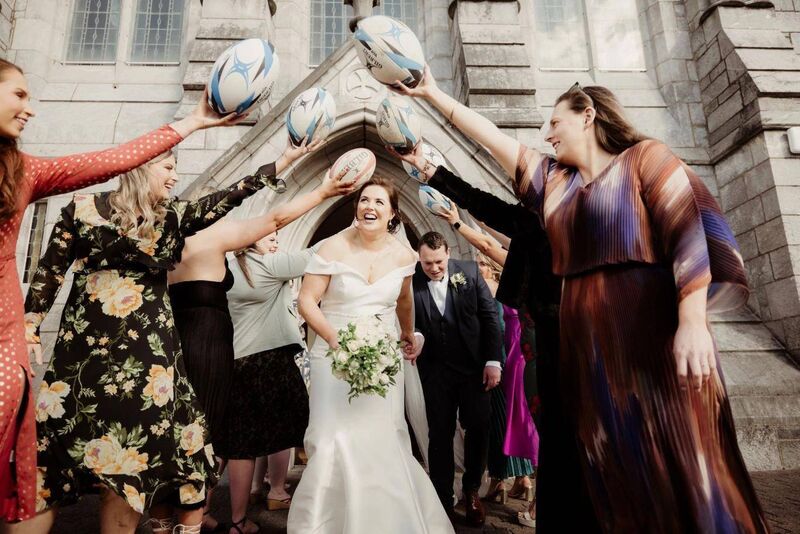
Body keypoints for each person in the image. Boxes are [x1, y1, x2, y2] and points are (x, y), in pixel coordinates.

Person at [396, 67, 769, 532]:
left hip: (651, 332)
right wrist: (431, 92)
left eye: (555, 122)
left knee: (677, 456)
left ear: (587, 114)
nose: (547, 133)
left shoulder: (646, 158)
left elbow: (687, 237)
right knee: (607, 463)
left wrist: (692, 320)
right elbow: (492, 139)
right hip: (587, 347)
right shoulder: (554, 184)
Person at [0, 59, 241, 524]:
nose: (31, 108)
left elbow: (105, 162)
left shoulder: (23, 171)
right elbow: (50, 272)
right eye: (19, 95)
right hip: (59, 345)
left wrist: (192, 121)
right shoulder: (79, 213)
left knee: (24, 488)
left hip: (10, 338)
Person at [21, 147, 283, 533]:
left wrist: (286, 161)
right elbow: (49, 270)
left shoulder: (171, 218)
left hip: (146, 359)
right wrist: (29, 324)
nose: (175, 176)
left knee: (127, 461)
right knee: (49, 459)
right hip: (81, 356)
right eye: (168, 166)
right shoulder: (81, 211)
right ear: (140, 165)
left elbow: (228, 196)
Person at [288, 177, 454, 533]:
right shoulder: (331, 248)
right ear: (357, 207)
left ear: (392, 214)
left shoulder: (404, 256)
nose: (370, 207)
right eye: (365, 200)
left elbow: (404, 299)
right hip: (333, 358)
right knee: (332, 438)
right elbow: (306, 302)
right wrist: (336, 341)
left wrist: (407, 334)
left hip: (382, 357)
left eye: (379, 202)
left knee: (381, 437)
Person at [433, 205, 540, 516]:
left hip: (526, 355)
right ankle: (512, 484)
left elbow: (491, 246)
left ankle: (534, 506)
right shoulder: (535, 256)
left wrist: (458, 220)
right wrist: (478, 215)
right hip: (520, 354)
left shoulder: (532, 265)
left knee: (533, 428)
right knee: (523, 427)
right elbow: (500, 239)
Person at [215, 231, 321, 534]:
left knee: (232, 443)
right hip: (266, 363)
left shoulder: (229, 267)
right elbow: (317, 253)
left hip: (236, 361)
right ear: (250, 240)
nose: (275, 242)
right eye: (269, 237)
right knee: (276, 435)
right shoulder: (267, 264)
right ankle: (258, 504)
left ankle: (206, 510)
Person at [412, 231, 503, 527]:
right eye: (428, 264)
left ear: (448, 254)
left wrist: (492, 361)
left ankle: (472, 490)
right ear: (419, 258)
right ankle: (442, 498)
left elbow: (490, 317)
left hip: (473, 368)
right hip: (435, 371)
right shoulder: (411, 279)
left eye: (438, 262)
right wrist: (414, 337)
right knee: (439, 434)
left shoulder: (470, 272)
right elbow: (408, 319)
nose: (435, 269)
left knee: (478, 425)